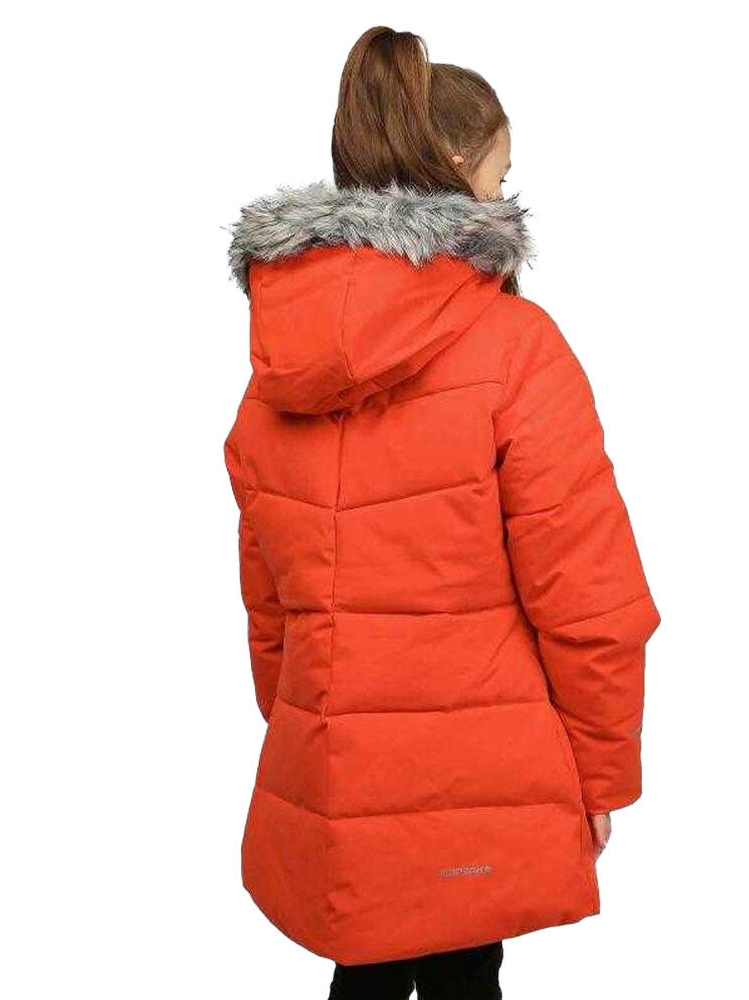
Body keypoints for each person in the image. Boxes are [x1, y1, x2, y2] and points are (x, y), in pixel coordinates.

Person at [224, 25, 661, 1000]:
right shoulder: (516, 347)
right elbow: (588, 599)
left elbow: (270, 607)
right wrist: (599, 773)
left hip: (336, 769)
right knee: (467, 974)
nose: (505, 197)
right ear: (460, 166)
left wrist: (320, 747)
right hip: (483, 780)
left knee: (365, 973)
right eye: (502, 176)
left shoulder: (275, 368)